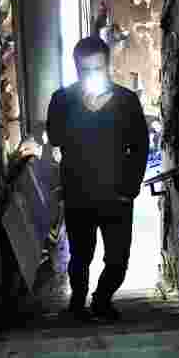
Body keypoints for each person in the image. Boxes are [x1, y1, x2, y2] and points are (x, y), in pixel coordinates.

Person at [46, 36, 149, 321]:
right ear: (76, 69)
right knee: (80, 257)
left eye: (98, 69)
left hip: (117, 195)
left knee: (117, 260)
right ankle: (77, 305)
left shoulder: (126, 101)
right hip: (79, 193)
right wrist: (79, 108)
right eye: (85, 70)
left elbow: (140, 145)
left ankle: (102, 299)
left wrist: (131, 186)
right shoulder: (62, 99)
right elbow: (55, 137)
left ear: (108, 66)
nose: (92, 75)